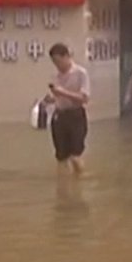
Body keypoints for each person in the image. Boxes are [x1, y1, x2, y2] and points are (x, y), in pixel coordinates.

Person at [44, 43, 90, 176]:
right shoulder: (55, 75)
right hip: (59, 116)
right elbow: (56, 96)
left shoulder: (81, 73)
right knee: (61, 157)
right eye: (54, 62)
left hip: (76, 115)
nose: (57, 65)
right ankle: (63, 188)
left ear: (66, 57)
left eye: (58, 61)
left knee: (76, 156)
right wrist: (50, 99)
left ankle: (80, 183)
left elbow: (84, 98)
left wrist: (63, 92)